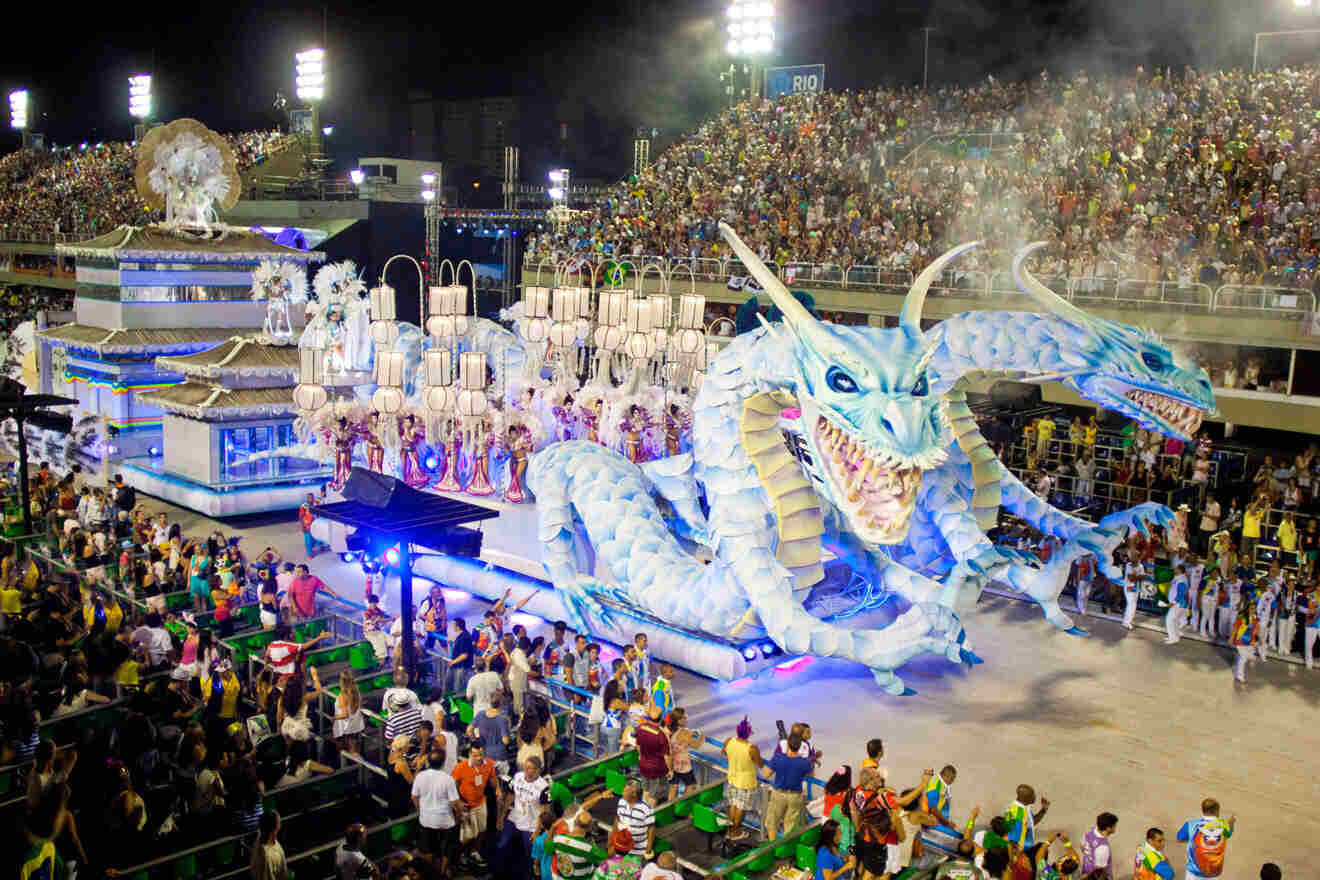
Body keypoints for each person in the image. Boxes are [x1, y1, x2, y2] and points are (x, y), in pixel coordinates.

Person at [412, 748, 461, 875]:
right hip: (446, 821)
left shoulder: (420, 776)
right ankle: (442, 873)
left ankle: (429, 873)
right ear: (443, 762)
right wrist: (458, 817)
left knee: (428, 850)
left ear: (428, 761)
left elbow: (414, 797)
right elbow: (455, 802)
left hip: (426, 820)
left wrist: (420, 810)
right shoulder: (447, 779)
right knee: (447, 851)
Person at [763, 728, 813, 839]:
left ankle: (772, 847)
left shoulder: (778, 758)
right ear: (800, 746)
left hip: (778, 794)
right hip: (795, 796)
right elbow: (811, 775)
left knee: (772, 822)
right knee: (790, 825)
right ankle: (785, 849)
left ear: (787, 744)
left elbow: (766, 774)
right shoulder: (805, 763)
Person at [452, 741, 495, 863]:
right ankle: (462, 856)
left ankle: (474, 852)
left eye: (481, 754)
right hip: (466, 806)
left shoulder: (489, 764)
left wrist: (497, 789)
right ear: (470, 754)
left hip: (481, 803)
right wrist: (458, 802)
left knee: (482, 831)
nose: (478, 758)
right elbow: (451, 785)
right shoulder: (461, 766)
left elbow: (492, 777)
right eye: (475, 755)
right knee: (466, 836)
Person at [721, 717, 762, 841]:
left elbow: (723, 752)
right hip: (746, 782)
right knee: (740, 808)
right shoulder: (751, 748)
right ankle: (735, 832)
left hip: (732, 778)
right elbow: (759, 763)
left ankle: (729, 831)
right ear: (749, 733)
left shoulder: (729, 741)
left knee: (732, 805)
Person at [1176, 798, 1235, 880]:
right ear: (1216, 811)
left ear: (1203, 810)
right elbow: (1228, 834)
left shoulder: (1191, 823)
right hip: (1213, 873)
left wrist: (1192, 839)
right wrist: (1231, 823)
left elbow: (1179, 838)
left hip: (1193, 873)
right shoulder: (1224, 825)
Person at [634, 703, 671, 803]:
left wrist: (640, 756)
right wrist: (670, 770)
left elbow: (638, 745)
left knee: (646, 790)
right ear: (660, 719)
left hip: (643, 765)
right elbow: (666, 756)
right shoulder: (661, 735)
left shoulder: (640, 727)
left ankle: (642, 814)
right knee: (653, 795)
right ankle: (649, 817)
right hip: (656, 769)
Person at [1004, 783, 1049, 863]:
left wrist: (1043, 810)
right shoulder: (1016, 814)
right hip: (1021, 856)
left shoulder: (1024, 808)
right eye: (1032, 795)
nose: (1035, 797)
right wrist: (1018, 860)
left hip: (1026, 851)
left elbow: (1032, 822)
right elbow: (1012, 841)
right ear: (1026, 798)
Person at [614, 780, 655, 860]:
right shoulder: (621, 802)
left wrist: (649, 848)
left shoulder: (646, 808)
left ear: (634, 794)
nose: (622, 793)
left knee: (635, 871)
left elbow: (651, 828)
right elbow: (618, 819)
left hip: (638, 851)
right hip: (621, 848)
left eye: (625, 791)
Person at [251, 809, 290, 880]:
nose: (281, 823)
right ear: (274, 828)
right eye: (279, 822)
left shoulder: (271, 840)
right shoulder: (266, 856)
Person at [1080, 812, 1117, 879]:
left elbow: (1082, 847)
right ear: (1108, 828)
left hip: (1086, 870)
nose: (1115, 827)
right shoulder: (1103, 848)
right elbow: (1100, 871)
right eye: (1114, 825)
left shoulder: (1089, 832)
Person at [1165, 564, 1190, 645]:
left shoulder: (1181, 580)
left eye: (1176, 569)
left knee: (1169, 620)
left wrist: (1173, 602)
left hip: (1178, 604)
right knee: (1174, 621)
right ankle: (1175, 637)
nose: (1174, 570)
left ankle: (1173, 638)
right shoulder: (1178, 578)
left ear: (1179, 570)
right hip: (1178, 603)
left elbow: (1181, 593)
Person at [1123, 550, 1144, 630]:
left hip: (1136, 588)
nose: (1134, 558)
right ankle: (1127, 622)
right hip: (1129, 588)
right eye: (1133, 556)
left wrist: (1137, 577)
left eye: (1136, 556)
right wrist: (1138, 577)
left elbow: (1142, 578)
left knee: (1133, 605)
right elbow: (1130, 578)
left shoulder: (1141, 566)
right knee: (1131, 605)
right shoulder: (1129, 565)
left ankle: (1128, 621)